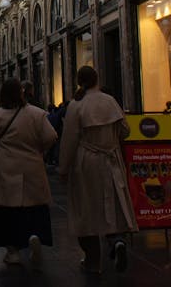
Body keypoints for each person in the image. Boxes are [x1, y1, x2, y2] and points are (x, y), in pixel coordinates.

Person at [59, 66, 138, 274]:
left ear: (79, 81)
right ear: (97, 79)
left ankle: (93, 261)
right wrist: (110, 140)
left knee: (87, 210)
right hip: (111, 160)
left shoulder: (76, 105)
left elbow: (69, 140)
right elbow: (125, 131)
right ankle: (116, 241)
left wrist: (63, 168)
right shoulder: (109, 101)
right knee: (111, 203)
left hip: (87, 162)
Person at [0, 78, 57, 265]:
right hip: (32, 168)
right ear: (21, 93)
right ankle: (34, 235)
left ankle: (13, 251)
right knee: (34, 207)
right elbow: (51, 136)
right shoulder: (36, 114)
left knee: (6, 211)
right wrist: (39, 150)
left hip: (4, 170)